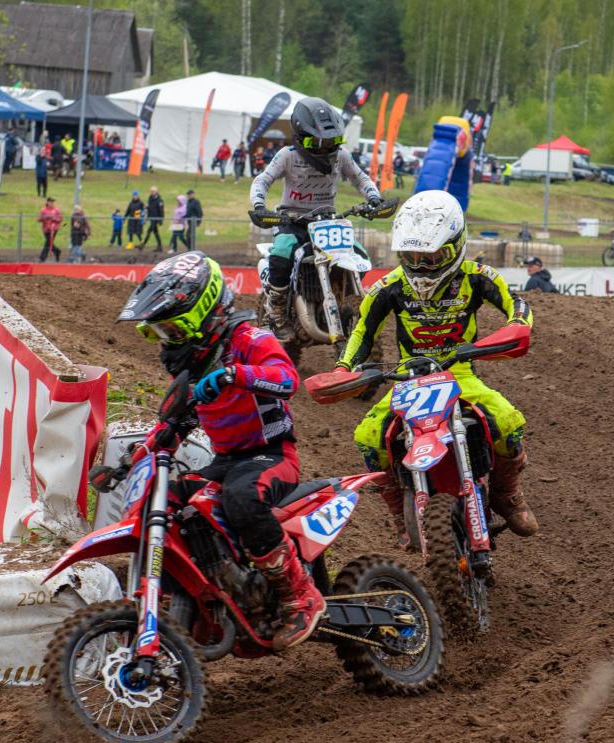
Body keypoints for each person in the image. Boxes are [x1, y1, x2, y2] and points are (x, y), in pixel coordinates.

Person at [110, 252, 325, 649]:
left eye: (172, 329)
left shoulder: (249, 340)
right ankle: (184, 601)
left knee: (242, 497)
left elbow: (287, 379)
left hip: (271, 454)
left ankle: (300, 595)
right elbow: (174, 424)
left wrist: (233, 375)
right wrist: (128, 463)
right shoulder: (198, 364)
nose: (167, 341)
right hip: (226, 460)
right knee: (173, 501)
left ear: (204, 314)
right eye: (159, 333)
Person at [336, 190, 538, 548]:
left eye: (433, 257)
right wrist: (343, 370)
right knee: (369, 438)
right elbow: (362, 332)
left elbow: (516, 306)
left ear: (456, 245)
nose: (422, 266)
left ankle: (506, 493)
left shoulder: (477, 276)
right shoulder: (388, 287)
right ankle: (399, 512)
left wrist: (516, 327)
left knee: (507, 422)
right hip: (409, 379)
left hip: (459, 372)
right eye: (411, 257)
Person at [250, 97, 388, 338]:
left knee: (359, 253)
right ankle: (277, 309)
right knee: (282, 251)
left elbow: (360, 178)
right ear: (301, 136)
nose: (325, 148)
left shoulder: (341, 156)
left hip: (326, 221)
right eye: (317, 142)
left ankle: (340, 294)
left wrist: (374, 197)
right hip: (292, 221)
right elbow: (263, 180)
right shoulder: (287, 155)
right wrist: (259, 204)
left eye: (332, 141)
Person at [38, 197, 62, 262]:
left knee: (47, 243)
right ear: (47, 202)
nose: (52, 203)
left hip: (54, 229)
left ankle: (42, 258)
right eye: (50, 202)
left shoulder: (56, 210)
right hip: (46, 229)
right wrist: (44, 217)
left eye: (52, 202)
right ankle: (57, 251)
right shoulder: (43, 210)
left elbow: (60, 219)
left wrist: (54, 218)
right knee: (49, 242)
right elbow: (39, 219)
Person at [142, 186, 164, 252]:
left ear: (156, 192)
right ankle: (160, 246)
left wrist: (161, 220)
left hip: (156, 218)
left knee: (149, 231)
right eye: (151, 191)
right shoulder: (150, 198)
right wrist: (147, 215)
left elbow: (161, 210)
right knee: (155, 232)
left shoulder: (159, 200)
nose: (151, 192)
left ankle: (143, 244)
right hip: (151, 218)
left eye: (153, 191)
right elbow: (149, 208)